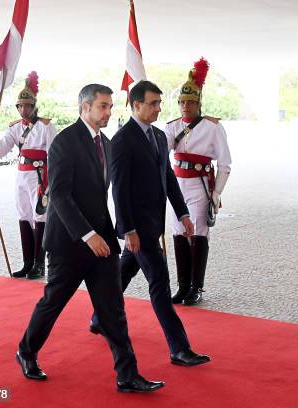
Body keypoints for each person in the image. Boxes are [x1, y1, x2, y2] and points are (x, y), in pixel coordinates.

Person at [16, 84, 164, 393]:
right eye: (103, 106)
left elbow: (107, 194)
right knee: (52, 304)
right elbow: (60, 195)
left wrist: (122, 229)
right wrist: (87, 234)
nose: (109, 112)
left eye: (110, 106)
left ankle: (127, 374)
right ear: (85, 108)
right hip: (68, 243)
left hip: (102, 243)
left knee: (113, 310)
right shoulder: (64, 142)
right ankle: (26, 352)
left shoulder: (107, 144)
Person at [90, 80, 211, 367]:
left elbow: (167, 177)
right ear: (136, 105)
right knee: (159, 283)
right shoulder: (121, 140)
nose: (159, 108)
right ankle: (179, 348)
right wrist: (128, 230)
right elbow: (118, 189)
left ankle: (99, 317)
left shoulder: (158, 136)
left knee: (124, 272)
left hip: (154, 223)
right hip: (138, 228)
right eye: (153, 103)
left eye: (159, 103)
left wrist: (182, 213)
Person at [164, 58, 232, 305]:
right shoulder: (171, 127)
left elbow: (225, 164)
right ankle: (182, 286)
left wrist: (216, 194)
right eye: (182, 102)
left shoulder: (212, 128)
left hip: (201, 186)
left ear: (199, 102)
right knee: (179, 233)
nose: (185, 106)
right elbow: (163, 154)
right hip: (177, 186)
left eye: (190, 102)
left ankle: (196, 287)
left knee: (199, 234)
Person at [0, 72, 57, 279]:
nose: (24, 109)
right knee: (23, 216)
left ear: (34, 107)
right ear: (17, 107)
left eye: (28, 106)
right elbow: (1, 149)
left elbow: (54, 154)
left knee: (39, 216)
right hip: (22, 175)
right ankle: (27, 263)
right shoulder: (15, 128)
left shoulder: (45, 126)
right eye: (20, 106)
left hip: (41, 175)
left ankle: (39, 264)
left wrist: (50, 182)